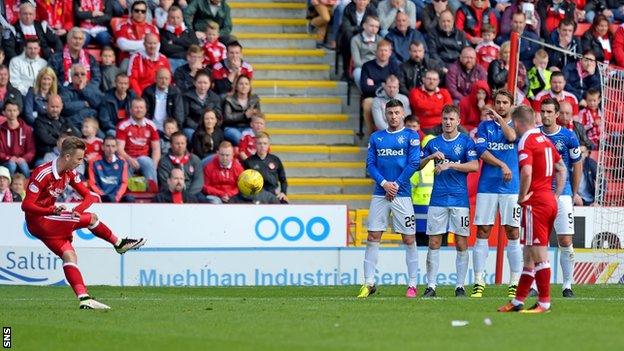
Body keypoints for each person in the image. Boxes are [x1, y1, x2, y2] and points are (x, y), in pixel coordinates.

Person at [22, 136, 146, 309]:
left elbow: (90, 196)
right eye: (78, 159)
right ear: (67, 157)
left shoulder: (70, 173)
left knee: (69, 255)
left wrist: (77, 210)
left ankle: (84, 298)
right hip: (39, 221)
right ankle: (119, 243)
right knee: (91, 218)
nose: (80, 162)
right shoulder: (43, 174)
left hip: (50, 221)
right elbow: (26, 205)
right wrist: (51, 210)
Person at [497, 105, 567, 313]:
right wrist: (555, 195)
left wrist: (521, 197)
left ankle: (544, 302)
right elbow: (561, 168)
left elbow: (526, 172)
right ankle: (518, 301)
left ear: (517, 123)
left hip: (535, 203)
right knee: (528, 254)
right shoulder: (545, 140)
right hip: (548, 200)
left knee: (538, 254)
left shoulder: (525, 141)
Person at [357, 99, 420, 299]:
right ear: (385, 115)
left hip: (402, 194)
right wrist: (385, 184)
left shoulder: (411, 136)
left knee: (408, 238)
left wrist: (396, 185)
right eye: (390, 113)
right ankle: (368, 283)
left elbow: (413, 163)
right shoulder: (376, 137)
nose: (393, 116)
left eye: (397, 113)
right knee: (373, 236)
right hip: (380, 192)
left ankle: (412, 284)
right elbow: (370, 164)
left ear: (403, 114)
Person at [419, 105, 479, 297]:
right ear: (441, 120)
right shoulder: (433, 143)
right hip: (437, 199)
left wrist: (450, 164)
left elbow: (475, 166)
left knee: (461, 243)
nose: (448, 122)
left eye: (452, 119)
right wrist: (430, 157)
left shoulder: (466, 142)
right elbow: (416, 166)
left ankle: (460, 286)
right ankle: (431, 286)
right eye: (445, 119)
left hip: (459, 200)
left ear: (458, 121)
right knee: (434, 242)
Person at [471, 89, 523, 299]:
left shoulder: (517, 126)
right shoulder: (484, 126)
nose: (500, 106)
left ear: (511, 105)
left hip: (511, 188)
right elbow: (482, 152)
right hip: (487, 186)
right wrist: (502, 164)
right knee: (483, 231)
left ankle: (514, 281)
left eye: (504, 103)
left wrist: (501, 120)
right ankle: (478, 280)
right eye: (498, 102)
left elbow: (511, 137)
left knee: (512, 231)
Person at [539, 98, 582, 298]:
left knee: (565, 240)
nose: (545, 115)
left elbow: (577, 164)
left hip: (562, 194)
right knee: (539, 242)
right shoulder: (534, 135)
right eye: (543, 111)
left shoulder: (568, 136)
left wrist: (573, 193)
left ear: (557, 114)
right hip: (539, 194)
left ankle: (567, 285)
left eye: (549, 112)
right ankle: (538, 285)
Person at [116, 97, 161, 184]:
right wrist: (130, 159)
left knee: (147, 161)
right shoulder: (123, 126)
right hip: (127, 158)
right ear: (131, 110)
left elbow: (156, 149)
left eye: (141, 107)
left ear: (145, 109)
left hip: (144, 158)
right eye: (136, 107)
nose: (139, 110)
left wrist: (153, 165)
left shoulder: (151, 125)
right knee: (124, 165)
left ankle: (152, 190)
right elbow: (119, 150)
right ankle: (127, 192)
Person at [243, 132, 288, 203]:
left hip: (273, 194)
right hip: (256, 195)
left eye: (265, 143)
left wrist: (283, 192)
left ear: (268, 145)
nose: (262, 146)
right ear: (255, 145)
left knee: (284, 204)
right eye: (259, 143)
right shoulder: (248, 162)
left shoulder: (275, 160)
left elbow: (283, 179)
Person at [33, 94, 78, 161]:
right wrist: (64, 141)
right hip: (44, 156)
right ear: (46, 105)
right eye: (52, 107)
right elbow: (46, 139)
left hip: (66, 156)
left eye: (57, 107)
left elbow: (76, 136)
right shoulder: (39, 121)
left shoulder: (65, 121)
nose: (55, 109)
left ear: (62, 106)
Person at [60, 63, 104, 131]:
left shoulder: (93, 88)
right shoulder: (65, 90)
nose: (80, 76)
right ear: (71, 77)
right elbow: (65, 107)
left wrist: (83, 90)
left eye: (82, 74)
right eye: (76, 74)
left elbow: (99, 104)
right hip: (74, 125)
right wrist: (84, 104)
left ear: (86, 77)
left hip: (92, 125)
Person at [87, 135, 131, 203]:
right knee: (110, 198)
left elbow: (124, 182)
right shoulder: (94, 162)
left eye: (113, 146)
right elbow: (92, 183)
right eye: (107, 146)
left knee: (130, 198)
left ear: (116, 148)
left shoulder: (122, 162)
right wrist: (102, 194)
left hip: (117, 196)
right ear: (102, 147)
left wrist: (118, 196)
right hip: (102, 195)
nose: (110, 149)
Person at [114, 0, 160, 65]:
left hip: (147, 60)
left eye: (143, 11)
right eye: (136, 10)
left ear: (146, 13)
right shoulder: (122, 26)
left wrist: (132, 48)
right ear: (132, 12)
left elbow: (157, 47)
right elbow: (123, 45)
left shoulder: (153, 28)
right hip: (128, 60)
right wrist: (147, 45)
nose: (140, 13)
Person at [409, 69, 453, 134]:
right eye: (429, 79)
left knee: (461, 131)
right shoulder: (415, 92)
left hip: (443, 125)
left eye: (434, 79)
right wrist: (440, 108)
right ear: (423, 79)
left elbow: (448, 109)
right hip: (424, 127)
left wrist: (427, 110)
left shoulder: (444, 92)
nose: (431, 81)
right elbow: (419, 106)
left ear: (438, 81)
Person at [222, 75, 261, 145]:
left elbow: (259, 116)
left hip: (248, 127)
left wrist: (255, 114)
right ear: (236, 86)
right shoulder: (229, 99)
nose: (244, 86)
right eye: (241, 84)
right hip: (232, 128)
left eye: (246, 84)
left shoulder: (255, 99)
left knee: (253, 137)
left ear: (249, 87)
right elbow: (227, 118)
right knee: (241, 138)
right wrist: (244, 115)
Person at [0, 100, 35, 177]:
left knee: (23, 165)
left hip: (22, 161)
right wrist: (8, 158)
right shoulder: (1, 130)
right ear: (4, 112)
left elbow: (31, 150)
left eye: (14, 110)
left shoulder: (26, 129)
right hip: (6, 162)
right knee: (12, 165)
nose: (12, 113)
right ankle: (9, 187)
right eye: (9, 110)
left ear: (18, 112)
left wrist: (24, 158)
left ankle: (28, 186)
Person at [160, 5, 199, 72]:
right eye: (172, 18)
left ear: (182, 18)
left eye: (178, 17)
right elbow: (167, 49)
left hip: (189, 60)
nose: (175, 20)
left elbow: (195, 46)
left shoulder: (189, 31)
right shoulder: (163, 32)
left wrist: (176, 41)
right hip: (172, 60)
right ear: (168, 18)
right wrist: (186, 46)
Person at [350, 15, 382, 90]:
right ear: (364, 26)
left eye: (376, 27)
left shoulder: (380, 40)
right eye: (371, 26)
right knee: (358, 73)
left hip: (377, 67)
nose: (374, 29)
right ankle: (365, 94)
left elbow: (382, 59)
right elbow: (357, 62)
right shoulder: (355, 40)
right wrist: (369, 71)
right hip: (361, 67)